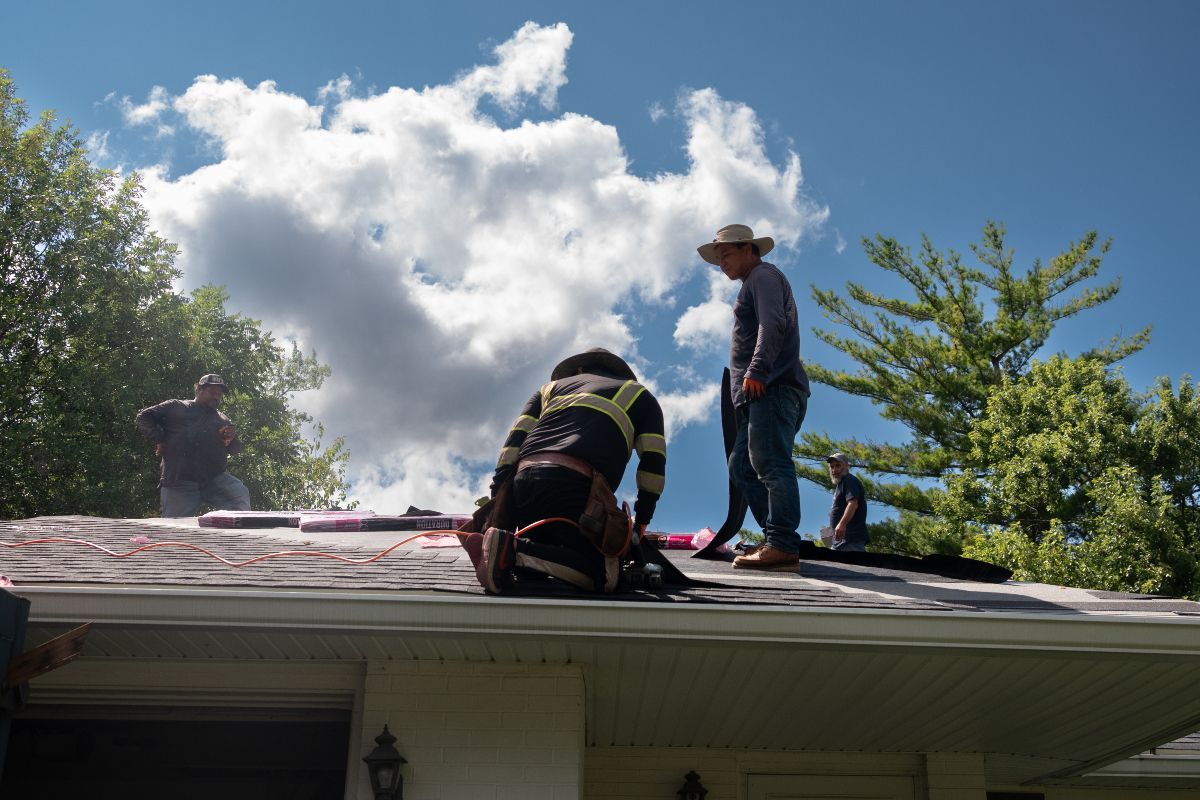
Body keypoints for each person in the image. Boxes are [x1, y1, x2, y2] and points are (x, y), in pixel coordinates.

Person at [467, 348, 666, 594]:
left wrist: (498, 498)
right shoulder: (639, 395)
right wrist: (642, 521)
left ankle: (506, 552)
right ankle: (511, 550)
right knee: (604, 578)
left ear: (580, 370)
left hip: (524, 484)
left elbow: (512, 444)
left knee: (534, 568)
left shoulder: (547, 390)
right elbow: (653, 464)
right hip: (575, 488)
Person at [697, 224, 810, 571]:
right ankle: (776, 540)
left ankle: (782, 542)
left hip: (771, 387)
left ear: (749, 249)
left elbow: (772, 322)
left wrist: (758, 369)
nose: (721, 264)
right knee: (742, 466)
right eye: (718, 258)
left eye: (726, 254)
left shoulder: (763, 276)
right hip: (758, 394)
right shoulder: (754, 282)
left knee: (771, 462)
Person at [135, 374, 251, 517]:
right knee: (175, 528)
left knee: (239, 493)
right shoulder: (177, 407)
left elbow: (235, 449)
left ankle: (236, 535)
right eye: (212, 393)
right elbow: (143, 417)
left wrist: (231, 438)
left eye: (219, 395)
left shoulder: (221, 419)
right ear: (198, 390)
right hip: (180, 482)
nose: (216, 397)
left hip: (213, 480)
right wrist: (160, 439)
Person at [827, 453, 868, 551]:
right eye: (832, 467)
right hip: (840, 542)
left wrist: (841, 524)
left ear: (846, 465)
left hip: (851, 540)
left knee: (852, 566)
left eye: (838, 465)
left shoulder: (849, 480)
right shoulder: (841, 484)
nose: (834, 470)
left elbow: (852, 504)